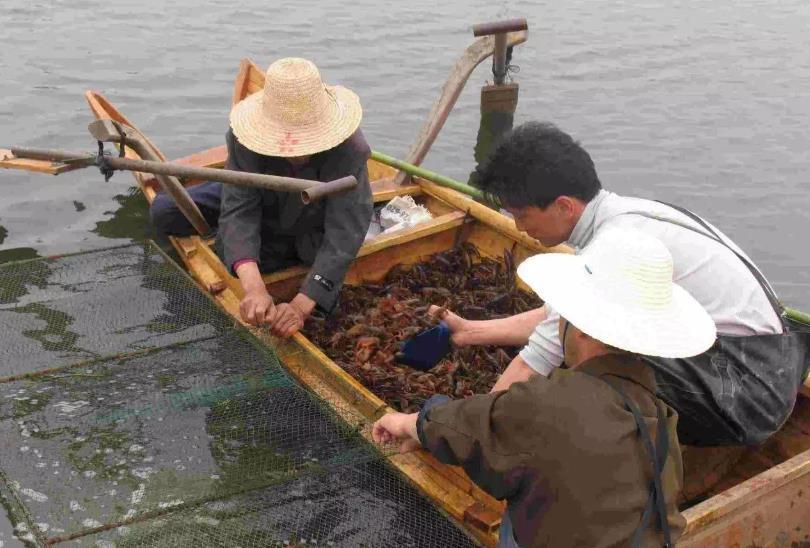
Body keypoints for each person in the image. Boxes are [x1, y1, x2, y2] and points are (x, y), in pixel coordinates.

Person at [432, 121, 808, 446]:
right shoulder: (627, 215)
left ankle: (627, 463)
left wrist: (466, 432)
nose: (518, 228)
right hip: (777, 360)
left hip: (750, 393)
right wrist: (473, 332)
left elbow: (542, 353)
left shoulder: (613, 247)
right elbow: (560, 314)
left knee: (588, 355)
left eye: (522, 215)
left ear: (564, 206)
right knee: (583, 329)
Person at [374, 228, 717, 547]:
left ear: (580, 328)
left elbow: (470, 427)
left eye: (562, 316)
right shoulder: (660, 414)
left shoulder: (549, 403)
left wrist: (406, 422)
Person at [150, 58, 373, 338]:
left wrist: (302, 305)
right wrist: (254, 288)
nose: (296, 151)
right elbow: (240, 209)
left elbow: (346, 231)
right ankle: (237, 249)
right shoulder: (246, 138)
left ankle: (235, 248)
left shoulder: (350, 149)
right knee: (165, 210)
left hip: (310, 215)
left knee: (281, 255)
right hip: (260, 195)